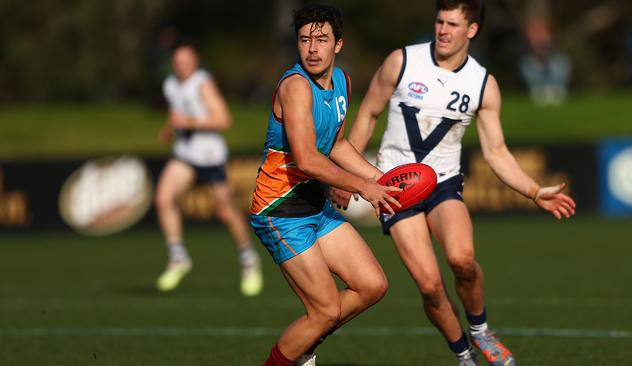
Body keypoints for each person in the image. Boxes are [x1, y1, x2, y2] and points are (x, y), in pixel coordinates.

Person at [339, 1, 577, 365]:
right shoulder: (401, 62)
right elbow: (368, 115)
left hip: (444, 184)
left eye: (452, 24)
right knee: (430, 286)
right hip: (395, 188)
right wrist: (348, 176)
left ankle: (481, 329)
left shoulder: (483, 84)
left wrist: (533, 190)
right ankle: (463, 354)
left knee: (462, 260)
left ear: (472, 30)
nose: (443, 30)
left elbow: (496, 152)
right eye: (439, 21)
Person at [248, 4, 401, 366]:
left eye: (321, 40)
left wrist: (380, 180)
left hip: (315, 208)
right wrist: (364, 188)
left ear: (338, 45)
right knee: (325, 310)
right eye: (304, 40)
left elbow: (335, 145)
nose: (312, 49)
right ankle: (304, 340)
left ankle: (307, 339)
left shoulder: (342, 83)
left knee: (372, 285)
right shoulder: (296, 87)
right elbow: (308, 159)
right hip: (280, 211)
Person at [155, 44, 263, 296]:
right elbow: (177, 115)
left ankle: (248, 259)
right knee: (163, 199)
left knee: (225, 211)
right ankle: (178, 257)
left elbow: (224, 119)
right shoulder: (170, 85)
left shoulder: (202, 84)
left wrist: (189, 122)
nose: (181, 66)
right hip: (185, 154)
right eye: (177, 61)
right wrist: (171, 128)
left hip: (210, 156)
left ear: (195, 63)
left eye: (186, 61)